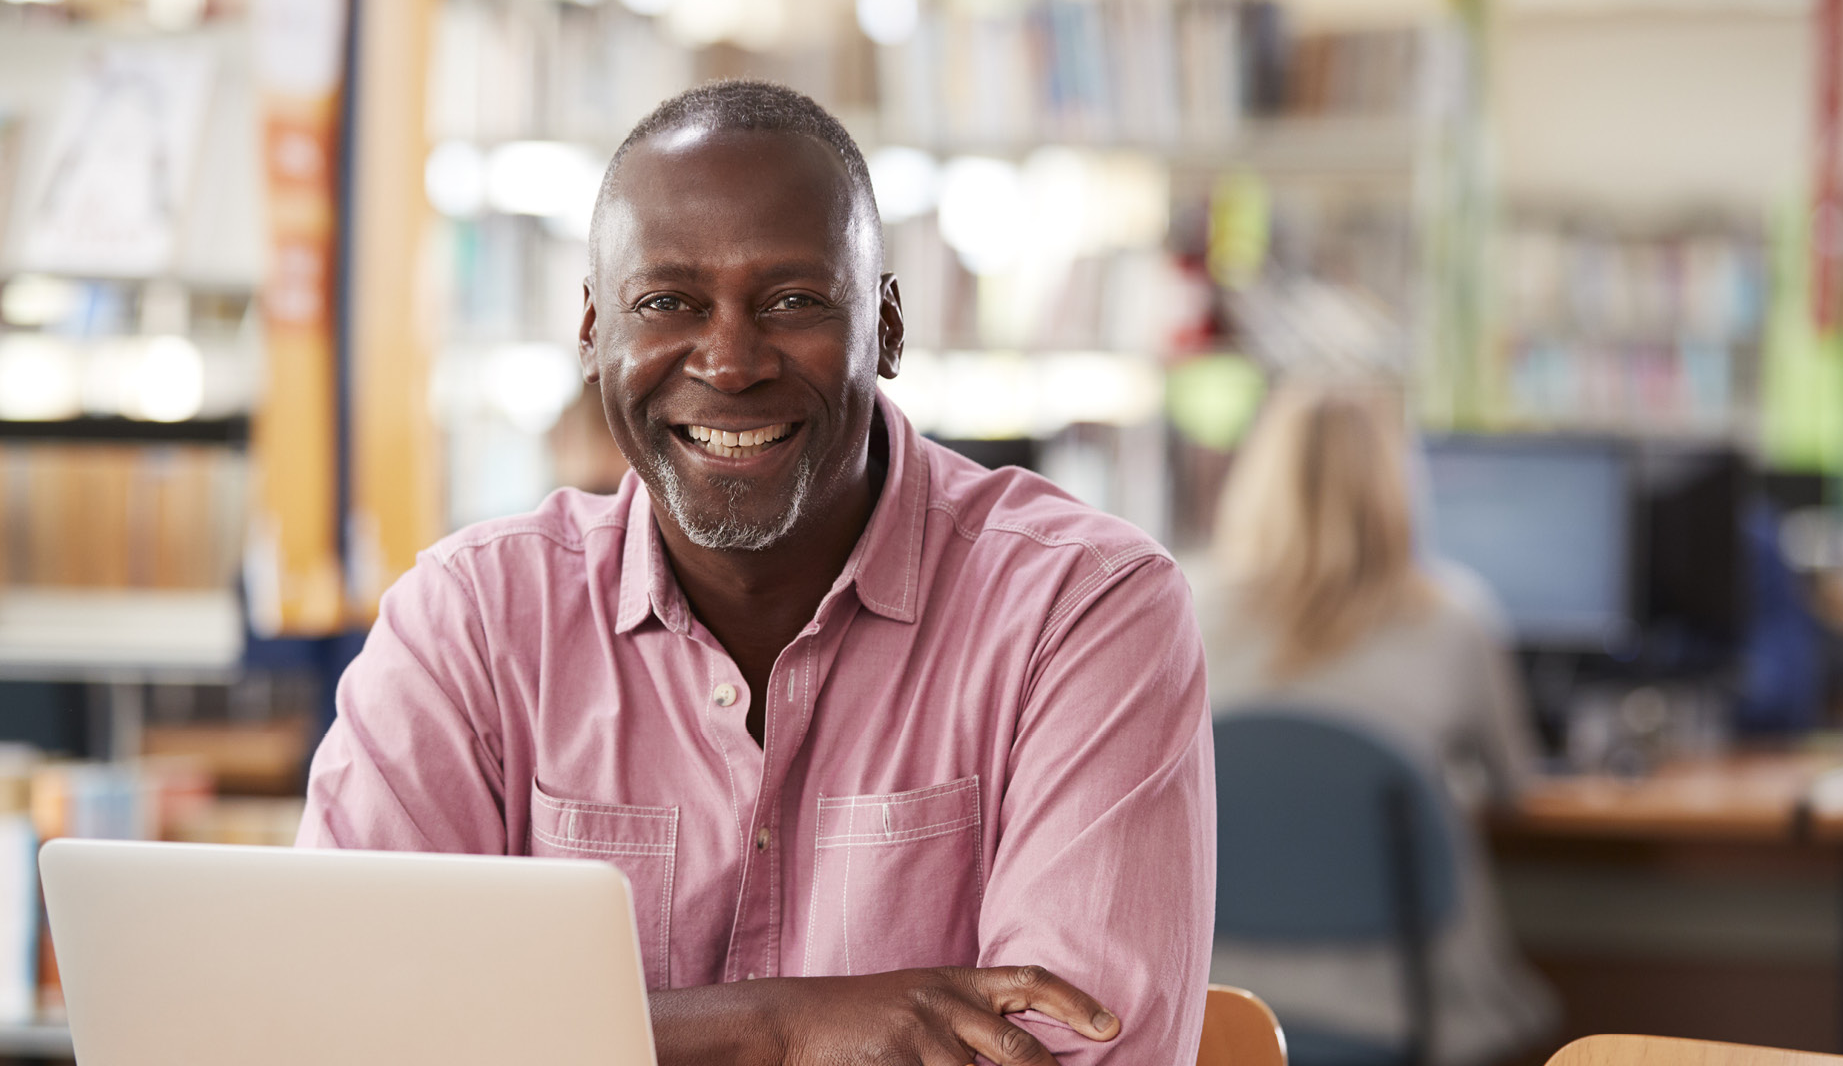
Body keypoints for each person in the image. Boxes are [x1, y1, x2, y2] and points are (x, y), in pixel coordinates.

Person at [297, 80, 1215, 1066]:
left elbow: (1075, 1054)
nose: (731, 363)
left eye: (793, 301)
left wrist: (564, 1034)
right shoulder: (470, 622)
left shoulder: (1084, 606)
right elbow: (343, 1025)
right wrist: (784, 1025)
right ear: (594, 335)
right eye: (666, 302)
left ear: (888, 329)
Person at [1195, 379, 1558, 1066]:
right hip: (1403, 1009)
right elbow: (1518, 788)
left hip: (1221, 1009)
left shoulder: (1185, 610)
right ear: (1397, 485)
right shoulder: (1454, 620)